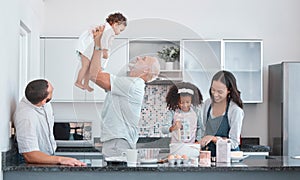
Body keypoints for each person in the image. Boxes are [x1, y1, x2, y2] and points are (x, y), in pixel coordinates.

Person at [90, 27, 161, 158]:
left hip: (118, 143)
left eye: (143, 59)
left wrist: (98, 45)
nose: (138, 57)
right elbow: (96, 72)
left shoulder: (134, 84)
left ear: (146, 71)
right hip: (117, 142)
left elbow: (94, 75)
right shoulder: (128, 83)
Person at [13, 79, 86, 166]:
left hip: (48, 157)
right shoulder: (26, 118)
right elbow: (30, 155)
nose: (53, 89)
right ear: (44, 101)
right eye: (51, 91)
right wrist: (61, 159)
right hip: (35, 163)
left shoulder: (41, 102)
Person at [75, 12, 127, 92]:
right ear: (115, 25)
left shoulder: (105, 28)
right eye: (120, 30)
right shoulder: (109, 30)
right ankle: (78, 82)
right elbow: (105, 40)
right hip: (86, 49)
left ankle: (85, 84)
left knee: (88, 68)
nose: (119, 33)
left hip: (86, 48)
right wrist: (105, 51)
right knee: (85, 66)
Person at [199, 70, 244, 157]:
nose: (215, 94)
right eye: (213, 90)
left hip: (228, 158)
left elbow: (234, 143)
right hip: (209, 157)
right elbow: (203, 131)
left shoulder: (235, 110)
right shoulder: (208, 104)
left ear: (229, 90)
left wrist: (214, 139)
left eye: (220, 92)